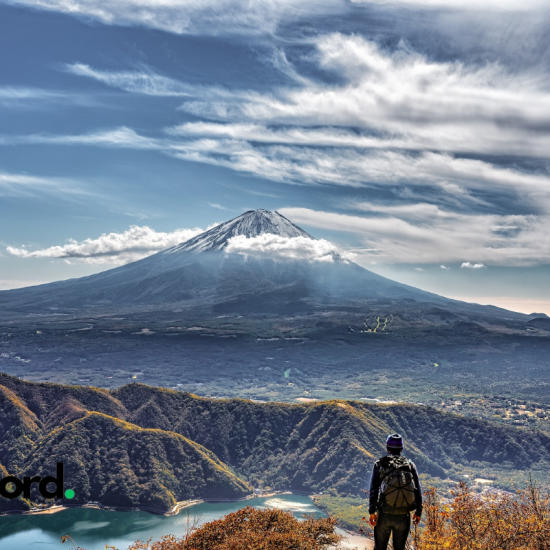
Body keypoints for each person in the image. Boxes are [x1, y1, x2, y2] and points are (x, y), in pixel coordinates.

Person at [368, 433, 423, 550]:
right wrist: (418, 511)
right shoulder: (409, 465)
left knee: (380, 548)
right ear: (401, 449)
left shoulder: (380, 465)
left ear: (388, 449)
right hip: (403, 515)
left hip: (384, 514)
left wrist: (372, 511)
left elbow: (374, 490)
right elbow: (417, 489)